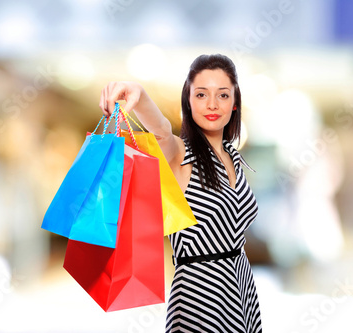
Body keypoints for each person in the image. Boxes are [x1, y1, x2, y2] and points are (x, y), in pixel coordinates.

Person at [99, 54, 262, 333]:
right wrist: (138, 93)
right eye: (201, 94)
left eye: (222, 95)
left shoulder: (234, 157)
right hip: (200, 294)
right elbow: (161, 131)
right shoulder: (181, 153)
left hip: (241, 287)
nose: (212, 104)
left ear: (235, 103)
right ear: (188, 101)